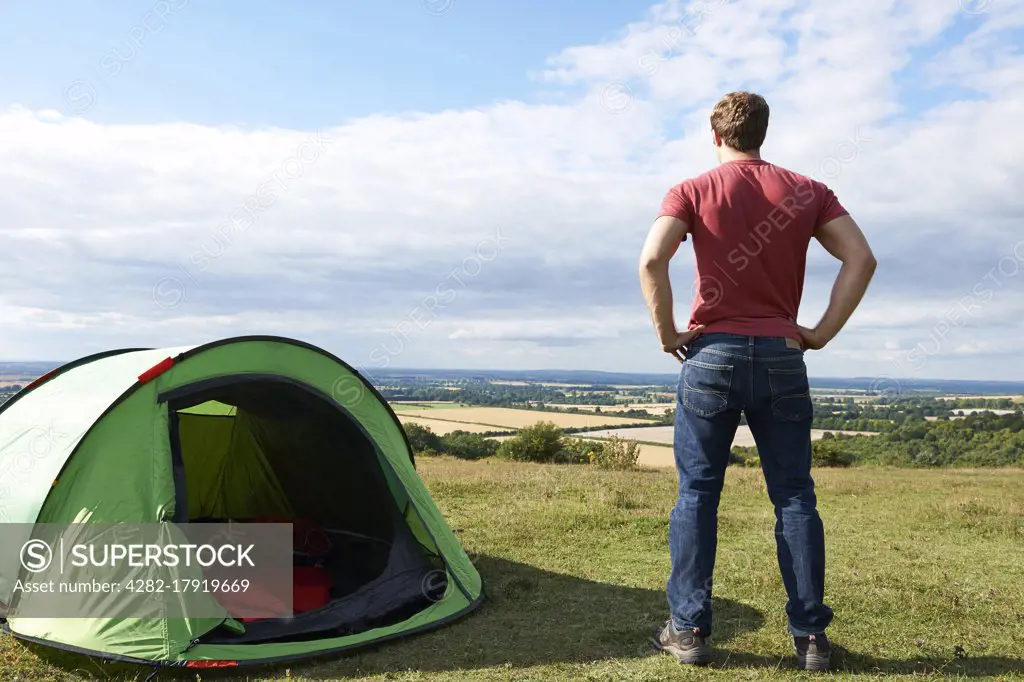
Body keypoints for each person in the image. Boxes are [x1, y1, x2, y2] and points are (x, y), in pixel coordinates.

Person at [638, 91, 876, 671]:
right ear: (763, 133)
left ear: (714, 134)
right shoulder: (808, 191)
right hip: (780, 356)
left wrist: (668, 332)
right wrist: (817, 333)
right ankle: (811, 638)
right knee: (794, 495)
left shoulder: (690, 190)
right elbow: (861, 258)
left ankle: (689, 630)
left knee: (697, 493)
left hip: (711, 354)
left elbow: (651, 261)